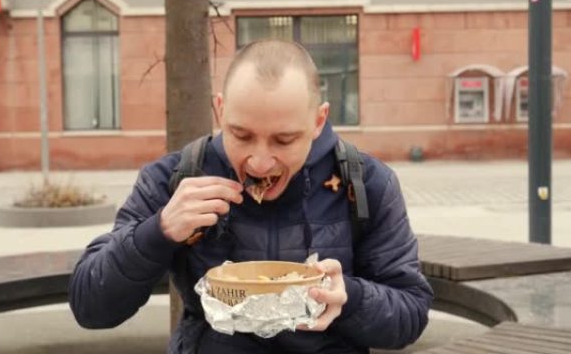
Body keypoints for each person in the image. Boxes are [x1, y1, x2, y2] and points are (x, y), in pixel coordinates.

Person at [69, 39, 433, 354]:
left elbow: (411, 315)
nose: (259, 162)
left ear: (319, 121)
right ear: (220, 109)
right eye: (241, 135)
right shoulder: (173, 180)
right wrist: (157, 232)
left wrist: (349, 297)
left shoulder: (366, 182)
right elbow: (90, 308)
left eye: (284, 140)